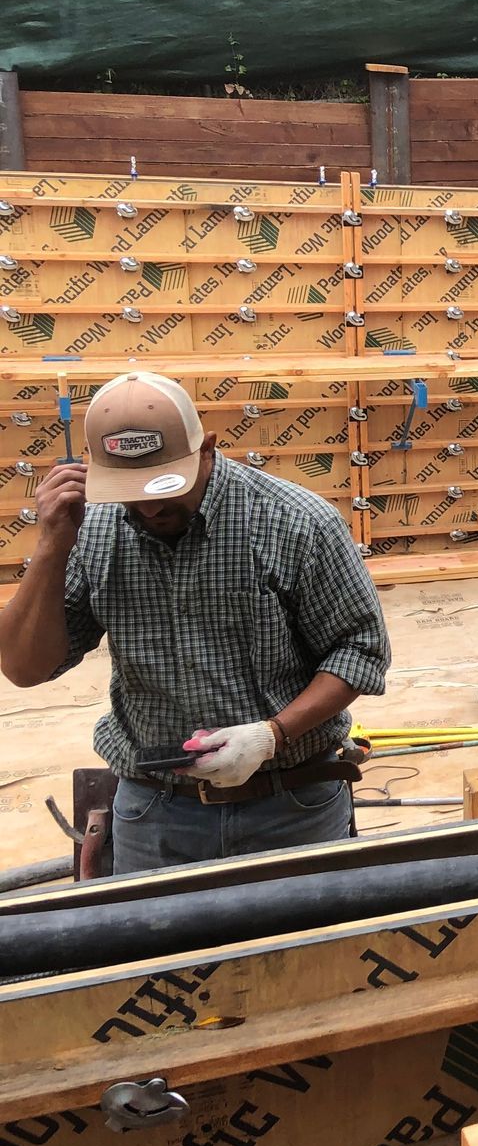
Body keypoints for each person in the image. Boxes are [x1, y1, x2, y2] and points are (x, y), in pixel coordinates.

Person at [0, 371, 391, 872]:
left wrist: (272, 734)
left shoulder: (294, 522)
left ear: (206, 449)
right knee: (167, 950)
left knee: (305, 946)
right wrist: (53, 544)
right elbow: (24, 668)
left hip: (290, 806)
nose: (150, 505)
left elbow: (359, 650)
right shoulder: (92, 532)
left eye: (165, 485)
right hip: (155, 813)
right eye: (128, 488)